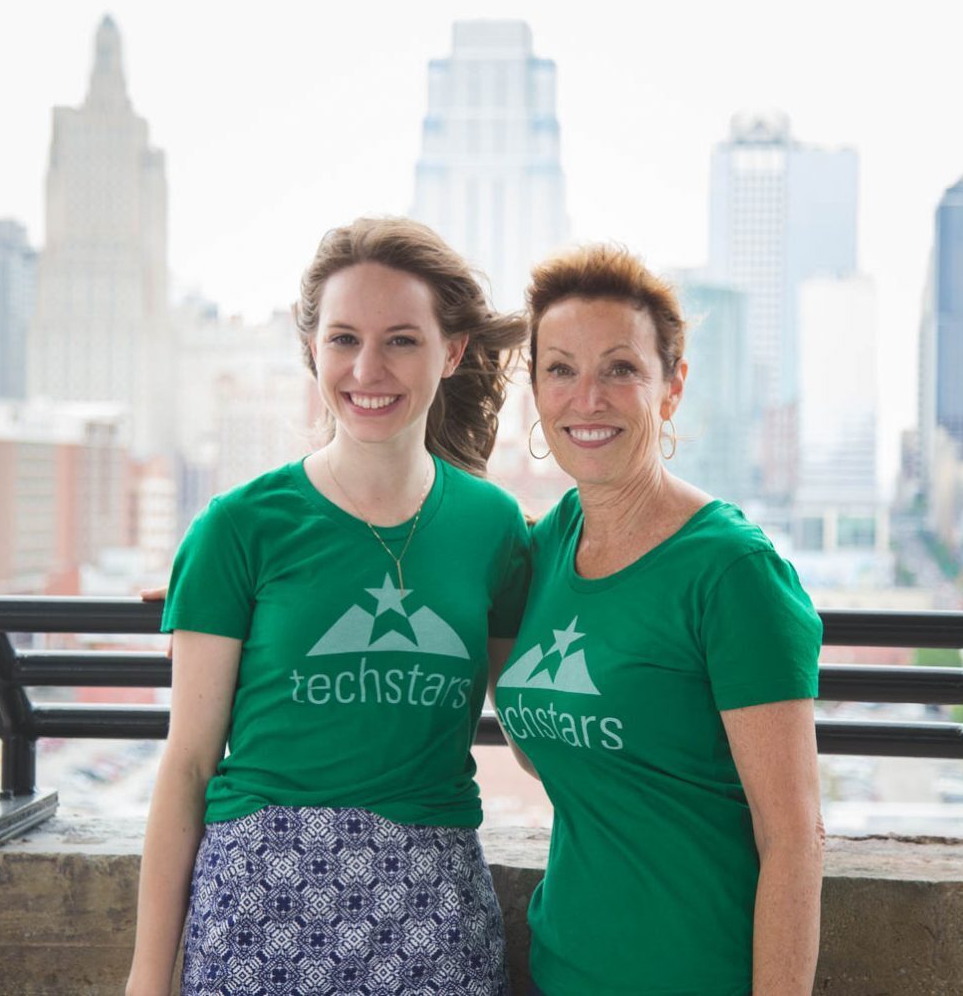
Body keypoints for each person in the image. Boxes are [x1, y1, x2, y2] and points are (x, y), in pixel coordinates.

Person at [126, 217, 530, 996]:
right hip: (255, 909)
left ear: (451, 352)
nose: (367, 367)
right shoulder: (237, 527)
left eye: (402, 340)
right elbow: (188, 764)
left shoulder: (496, 529)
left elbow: (538, 719)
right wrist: (149, 978)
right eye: (344, 338)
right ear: (310, 346)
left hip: (433, 918)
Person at [492, 244, 824, 996]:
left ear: (672, 387)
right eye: (561, 369)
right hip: (559, 969)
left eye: (621, 369)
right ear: (536, 394)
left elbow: (795, 838)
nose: (589, 398)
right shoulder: (544, 547)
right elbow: (542, 754)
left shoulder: (732, 571)